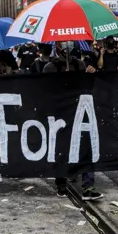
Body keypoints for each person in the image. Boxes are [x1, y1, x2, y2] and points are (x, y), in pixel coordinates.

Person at [42, 42, 102, 200]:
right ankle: (61, 183)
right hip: (60, 115)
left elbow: (89, 89)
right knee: (61, 148)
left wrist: (91, 74)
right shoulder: (49, 67)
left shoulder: (80, 64)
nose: (67, 46)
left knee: (86, 147)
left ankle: (88, 186)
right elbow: (44, 91)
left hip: (79, 113)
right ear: (58, 46)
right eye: (63, 43)